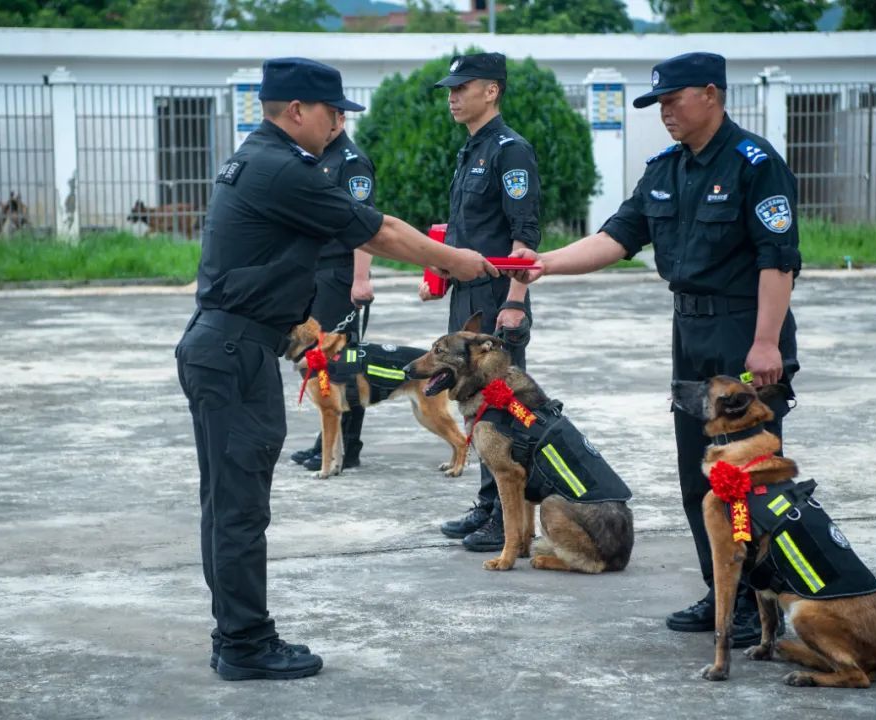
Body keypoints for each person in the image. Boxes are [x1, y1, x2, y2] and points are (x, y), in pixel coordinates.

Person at [176, 57, 496, 681]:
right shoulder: (282, 169)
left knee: (228, 502)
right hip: (235, 352)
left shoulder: (261, 157)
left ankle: (236, 634)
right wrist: (456, 259)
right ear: (297, 110)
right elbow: (379, 231)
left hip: (230, 346)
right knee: (238, 507)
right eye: (333, 110)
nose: (340, 121)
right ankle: (244, 643)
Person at [507, 52, 800, 648]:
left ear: (712, 95)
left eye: (672, 99)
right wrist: (546, 264)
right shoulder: (666, 168)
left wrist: (766, 343)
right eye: (658, 103)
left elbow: (778, 258)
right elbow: (618, 237)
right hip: (688, 334)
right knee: (698, 479)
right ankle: (721, 593)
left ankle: (756, 607)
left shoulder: (755, 163)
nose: (664, 111)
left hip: (743, 331)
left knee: (746, 480)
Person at [420, 52, 541, 553]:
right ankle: (488, 504)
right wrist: (443, 274)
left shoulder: (511, 151)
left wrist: (514, 303)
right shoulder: (472, 150)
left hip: (498, 299)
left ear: (491, 91)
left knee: (502, 409)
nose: (452, 96)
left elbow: (524, 236)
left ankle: (505, 518)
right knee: (475, 406)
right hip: (469, 297)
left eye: (462, 87)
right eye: (450, 88)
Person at [290, 110, 376, 472]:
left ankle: (349, 445)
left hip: (340, 274)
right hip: (317, 272)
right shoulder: (317, 156)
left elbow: (365, 226)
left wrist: (360, 279)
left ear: (339, 119)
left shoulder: (351, 163)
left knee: (342, 362)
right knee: (318, 360)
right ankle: (328, 440)